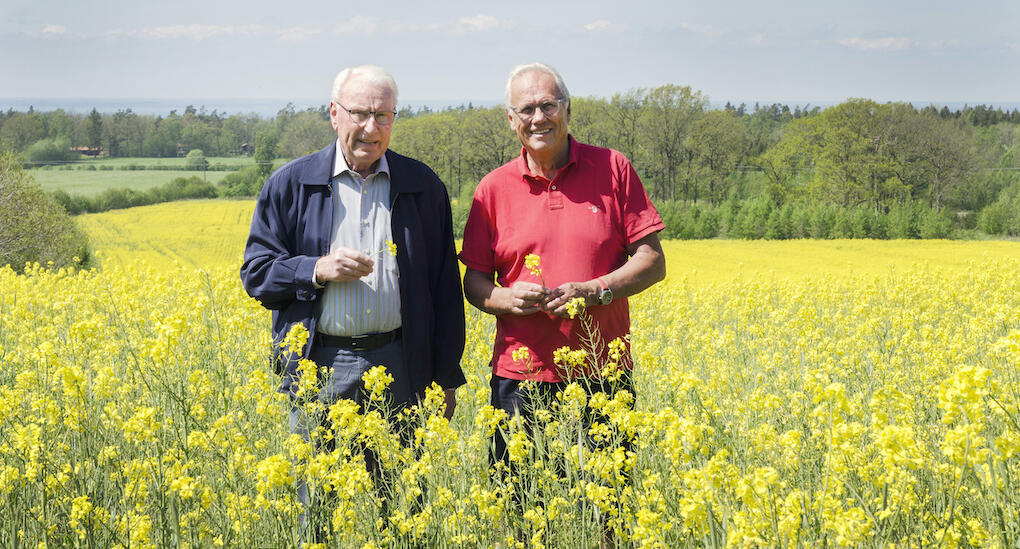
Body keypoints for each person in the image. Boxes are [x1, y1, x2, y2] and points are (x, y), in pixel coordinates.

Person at [240, 65, 466, 531]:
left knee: (404, 509)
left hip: (402, 365)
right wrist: (316, 269)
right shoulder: (291, 183)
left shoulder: (423, 186)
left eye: (384, 115)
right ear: (334, 114)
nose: (372, 127)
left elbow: (445, 288)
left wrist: (445, 374)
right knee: (316, 510)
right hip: (319, 364)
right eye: (360, 113)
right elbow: (256, 273)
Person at [459, 62, 666, 471]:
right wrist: (506, 298)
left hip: (604, 375)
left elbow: (652, 261)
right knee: (523, 510)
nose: (539, 118)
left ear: (568, 110)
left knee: (609, 510)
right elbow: (475, 282)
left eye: (548, 105)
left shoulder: (613, 169)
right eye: (526, 109)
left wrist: (594, 290)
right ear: (511, 119)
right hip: (521, 377)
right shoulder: (492, 189)